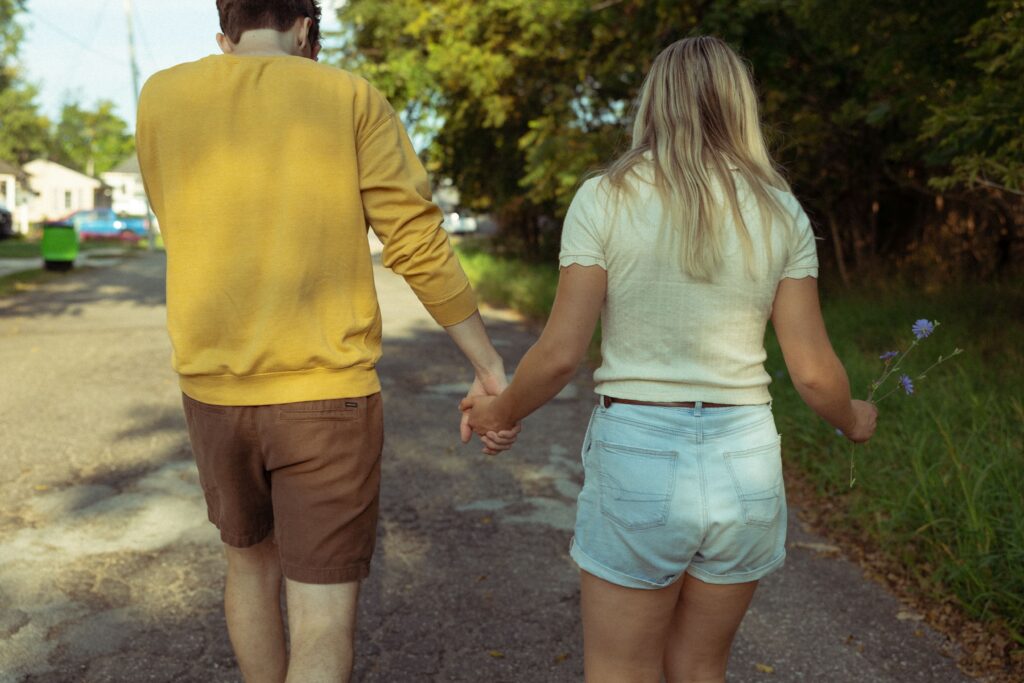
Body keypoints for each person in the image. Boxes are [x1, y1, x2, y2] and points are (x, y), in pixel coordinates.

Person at [462, 36, 878, 683]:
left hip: (639, 456)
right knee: (699, 666)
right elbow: (816, 374)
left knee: (620, 670)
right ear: (740, 107)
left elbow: (559, 354)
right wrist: (853, 417)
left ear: (654, 103)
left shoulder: (605, 198)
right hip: (746, 460)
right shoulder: (780, 210)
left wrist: (497, 410)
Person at [136, 1, 515, 681]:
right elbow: (416, 240)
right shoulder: (349, 96)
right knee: (322, 616)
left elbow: (181, 212)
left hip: (213, 393)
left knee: (248, 565)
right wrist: (488, 365)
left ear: (226, 31)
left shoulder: (162, 95)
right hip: (327, 396)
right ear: (306, 29)